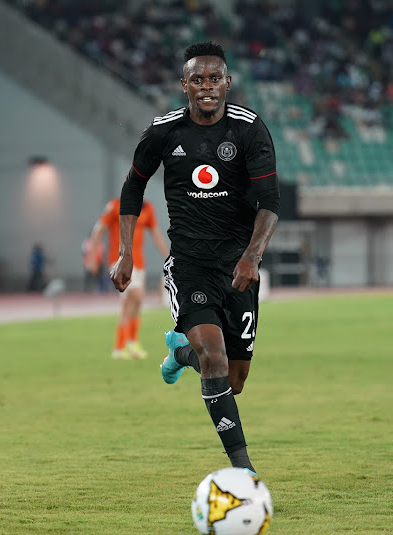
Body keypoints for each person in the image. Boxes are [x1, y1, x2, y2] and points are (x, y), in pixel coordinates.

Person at [110, 41, 279, 474]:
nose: (207, 87)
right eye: (197, 80)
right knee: (215, 358)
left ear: (227, 82)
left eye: (214, 79)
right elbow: (132, 188)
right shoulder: (164, 132)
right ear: (184, 85)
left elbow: (270, 201)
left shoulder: (250, 129)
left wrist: (252, 257)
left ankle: (178, 353)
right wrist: (126, 253)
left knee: (233, 381)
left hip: (238, 267)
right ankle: (244, 471)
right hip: (190, 264)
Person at [87, 197, 168, 359]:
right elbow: (99, 229)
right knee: (133, 296)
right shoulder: (115, 206)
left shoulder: (147, 209)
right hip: (119, 261)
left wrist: (168, 256)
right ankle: (128, 343)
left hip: (139, 263)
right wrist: (92, 255)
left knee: (135, 302)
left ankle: (123, 345)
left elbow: (155, 233)